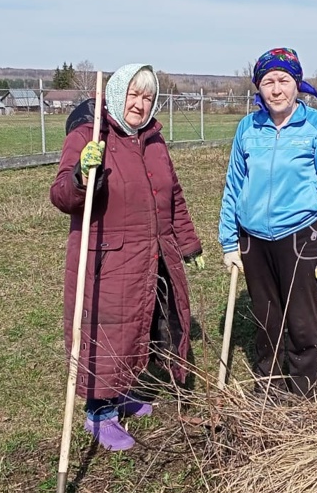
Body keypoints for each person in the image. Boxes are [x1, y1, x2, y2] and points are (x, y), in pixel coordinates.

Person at [50, 63, 204, 451]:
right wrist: (83, 176)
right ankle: (98, 415)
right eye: (133, 95)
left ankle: (119, 395)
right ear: (117, 94)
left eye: (147, 97)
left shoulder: (153, 139)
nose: (140, 104)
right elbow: (60, 197)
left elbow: (174, 196)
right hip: (107, 257)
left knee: (134, 329)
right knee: (106, 333)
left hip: (151, 254)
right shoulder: (89, 136)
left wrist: (187, 244)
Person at [218, 47, 317, 400]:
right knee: (267, 319)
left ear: (297, 84)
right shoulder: (248, 127)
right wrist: (229, 241)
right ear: (258, 88)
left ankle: (306, 393)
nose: (276, 90)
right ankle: (270, 390)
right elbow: (234, 184)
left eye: (284, 81)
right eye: (268, 82)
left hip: (300, 236)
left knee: (302, 322)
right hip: (254, 239)